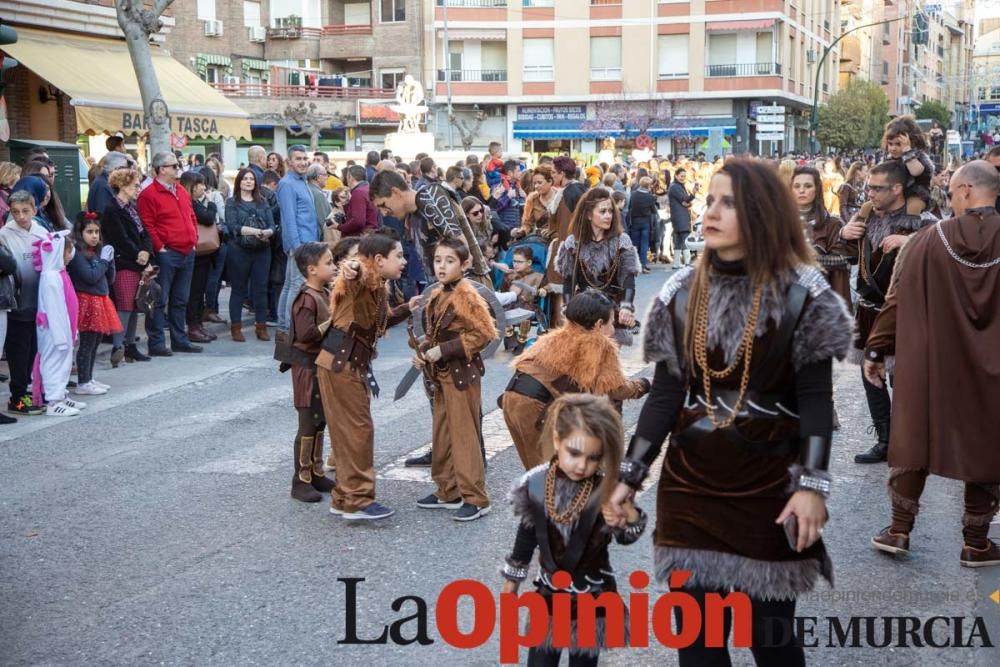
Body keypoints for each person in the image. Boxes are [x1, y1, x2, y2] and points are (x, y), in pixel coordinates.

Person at [607, 158, 852, 666]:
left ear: (761, 213)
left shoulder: (803, 292)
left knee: (772, 640)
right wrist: (629, 476)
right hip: (690, 489)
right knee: (697, 642)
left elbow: (815, 400)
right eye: (710, 200)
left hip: (768, 489)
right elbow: (665, 395)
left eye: (729, 202)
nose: (710, 212)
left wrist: (812, 487)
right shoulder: (681, 291)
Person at [864, 161, 1000, 566]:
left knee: (914, 433)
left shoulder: (926, 240)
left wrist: (875, 350)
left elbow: (896, 299)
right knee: (989, 440)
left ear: (963, 191)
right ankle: (976, 542)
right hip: (992, 367)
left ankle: (899, 529)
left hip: (931, 363)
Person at [501, 393, 647, 667]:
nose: (582, 465)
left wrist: (628, 513)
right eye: (574, 453)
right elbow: (526, 535)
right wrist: (513, 579)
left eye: (593, 458)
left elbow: (626, 537)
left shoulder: (605, 490)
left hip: (592, 599)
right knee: (540, 661)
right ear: (558, 440)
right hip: (548, 596)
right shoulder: (536, 484)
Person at [840, 160, 933, 463]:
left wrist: (911, 240)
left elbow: (946, 250)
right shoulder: (865, 216)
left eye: (877, 188)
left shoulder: (923, 220)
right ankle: (885, 440)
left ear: (897, 188)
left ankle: (912, 442)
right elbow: (852, 261)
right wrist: (845, 236)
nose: (870, 194)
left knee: (905, 378)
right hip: (869, 311)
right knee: (872, 377)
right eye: (868, 187)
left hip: (906, 312)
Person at [316, 233, 413, 521]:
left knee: (347, 432)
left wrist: (409, 308)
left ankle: (344, 497)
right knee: (357, 431)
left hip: (344, 362)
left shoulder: (379, 285)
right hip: (341, 363)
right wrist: (353, 267)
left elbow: (377, 324)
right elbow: (353, 273)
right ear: (379, 260)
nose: (404, 261)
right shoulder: (364, 276)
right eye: (398, 256)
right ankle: (358, 501)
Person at [501, 289, 649, 470]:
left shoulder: (557, 335)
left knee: (535, 470)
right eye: (611, 322)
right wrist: (644, 384)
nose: (612, 329)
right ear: (598, 324)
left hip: (511, 395)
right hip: (533, 404)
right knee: (550, 475)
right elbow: (617, 388)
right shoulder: (598, 343)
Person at [411, 238, 496, 522]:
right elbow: (436, 335)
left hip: (462, 374)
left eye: (449, 261)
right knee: (443, 433)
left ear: (464, 264)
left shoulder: (467, 294)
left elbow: (484, 334)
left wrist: (443, 350)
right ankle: (447, 490)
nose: (442, 266)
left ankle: (476, 497)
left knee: (463, 435)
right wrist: (424, 351)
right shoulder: (438, 293)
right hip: (442, 375)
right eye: (438, 260)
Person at [369, 169, 491, 287]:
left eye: (383, 205)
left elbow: (462, 249)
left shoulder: (429, 197)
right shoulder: (412, 215)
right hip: (445, 288)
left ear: (395, 192)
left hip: (466, 287)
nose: (384, 213)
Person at [286, 241, 338, 503]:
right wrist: (334, 321)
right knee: (307, 424)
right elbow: (306, 335)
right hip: (307, 369)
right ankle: (301, 479)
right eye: (328, 263)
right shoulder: (307, 298)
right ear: (311, 269)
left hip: (322, 366)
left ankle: (316, 471)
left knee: (320, 421)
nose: (334, 266)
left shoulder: (324, 292)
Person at [556, 188, 640, 346]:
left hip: (613, 309)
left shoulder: (622, 241)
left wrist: (627, 306)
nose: (608, 216)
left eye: (610, 211)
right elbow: (568, 280)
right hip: (584, 309)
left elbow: (629, 277)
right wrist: (567, 308)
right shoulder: (573, 243)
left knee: (609, 359)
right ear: (588, 214)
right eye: (602, 211)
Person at [137, 151, 202, 356]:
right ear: (161, 169)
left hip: (186, 251)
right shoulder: (149, 194)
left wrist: (193, 240)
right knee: (159, 299)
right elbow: (148, 224)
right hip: (168, 252)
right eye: (174, 166)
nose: (178, 169)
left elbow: (191, 215)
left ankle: (179, 339)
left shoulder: (181, 190)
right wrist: (160, 247)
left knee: (180, 299)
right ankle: (156, 343)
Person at [101, 168, 154, 364]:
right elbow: (119, 238)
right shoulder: (112, 209)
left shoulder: (132, 207)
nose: (138, 188)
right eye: (135, 185)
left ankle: (130, 346)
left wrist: (146, 253)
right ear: (122, 186)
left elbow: (145, 233)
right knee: (124, 307)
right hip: (124, 263)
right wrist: (139, 255)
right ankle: (118, 347)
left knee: (134, 306)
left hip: (138, 262)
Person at [1, 191, 46, 416]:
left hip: (39, 301)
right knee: (18, 352)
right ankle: (17, 397)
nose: (21, 216)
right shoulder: (5, 234)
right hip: (17, 302)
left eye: (25, 211)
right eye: (16, 211)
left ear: (34, 210)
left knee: (34, 351)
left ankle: (33, 390)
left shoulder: (42, 232)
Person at [67, 212, 122, 396]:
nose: (94, 236)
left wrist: (110, 261)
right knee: (87, 343)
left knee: (96, 341)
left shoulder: (97, 252)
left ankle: (89, 378)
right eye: (89, 231)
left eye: (97, 232)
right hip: (87, 300)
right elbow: (90, 277)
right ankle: (83, 382)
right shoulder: (78, 253)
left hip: (101, 300)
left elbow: (110, 279)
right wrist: (104, 261)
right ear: (80, 232)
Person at [33, 228, 86, 417]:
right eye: (67, 251)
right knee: (54, 362)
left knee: (63, 362)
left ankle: (61, 394)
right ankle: (53, 401)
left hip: (63, 329)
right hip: (55, 332)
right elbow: (54, 310)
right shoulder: (51, 278)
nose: (70, 255)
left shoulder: (58, 273)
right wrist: (61, 336)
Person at [225, 167, 275, 342]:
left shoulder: (263, 201)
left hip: (262, 250)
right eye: (245, 178)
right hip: (239, 251)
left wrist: (265, 233)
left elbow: (272, 226)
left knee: (261, 290)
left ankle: (261, 327)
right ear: (239, 181)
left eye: (251, 179)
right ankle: (236, 328)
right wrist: (256, 231)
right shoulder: (232, 202)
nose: (248, 181)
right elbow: (233, 227)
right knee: (238, 289)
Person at [792, 166, 852, 305]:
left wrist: (810, 260)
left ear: (817, 189)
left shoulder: (832, 224)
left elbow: (842, 263)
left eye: (808, 186)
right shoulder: (778, 222)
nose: (801, 190)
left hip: (820, 299)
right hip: (786, 299)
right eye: (796, 186)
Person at [276, 145, 320, 335]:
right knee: (296, 284)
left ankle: (285, 324)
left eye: (305, 158)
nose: (303, 162)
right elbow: (289, 218)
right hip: (300, 244)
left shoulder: (302, 181)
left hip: (308, 242)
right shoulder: (287, 184)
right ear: (289, 162)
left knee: (290, 283)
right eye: (298, 159)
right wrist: (296, 246)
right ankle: (288, 326)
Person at [178, 171, 218, 345]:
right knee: (194, 292)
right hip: (195, 252)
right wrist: (212, 204)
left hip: (202, 255)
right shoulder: (191, 203)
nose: (204, 187)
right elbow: (209, 218)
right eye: (200, 184)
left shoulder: (194, 202)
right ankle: (193, 326)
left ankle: (198, 324)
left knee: (198, 291)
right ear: (191, 187)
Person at [882, 115, 935, 216]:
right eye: (890, 144)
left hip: (916, 195)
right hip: (893, 194)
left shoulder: (918, 157)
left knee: (913, 207)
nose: (893, 148)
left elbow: (915, 171)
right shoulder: (888, 160)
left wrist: (907, 151)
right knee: (867, 207)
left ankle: (908, 230)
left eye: (898, 144)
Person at [197, 166, 228, 326]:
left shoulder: (192, 198)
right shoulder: (214, 195)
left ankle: (204, 308)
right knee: (214, 277)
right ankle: (211, 309)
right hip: (214, 241)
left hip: (199, 243)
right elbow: (221, 218)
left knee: (203, 278)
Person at [668, 167, 699, 269]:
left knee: (678, 239)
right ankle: (687, 262)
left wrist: (688, 202)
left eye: (684, 176)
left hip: (678, 215)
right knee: (685, 238)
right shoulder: (675, 187)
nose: (683, 178)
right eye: (681, 176)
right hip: (680, 216)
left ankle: (676, 263)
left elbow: (685, 202)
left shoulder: (677, 186)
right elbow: (685, 200)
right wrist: (693, 194)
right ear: (676, 175)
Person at [627, 176, 658, 273]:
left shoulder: (634, 194)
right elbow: (654, 210)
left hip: (635, 221)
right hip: (645, 222)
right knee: (644, 244)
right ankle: (643, 264)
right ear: (649, 186)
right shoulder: (650, 197)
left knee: (635, 244)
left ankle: (634, 264)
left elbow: (630, 207)